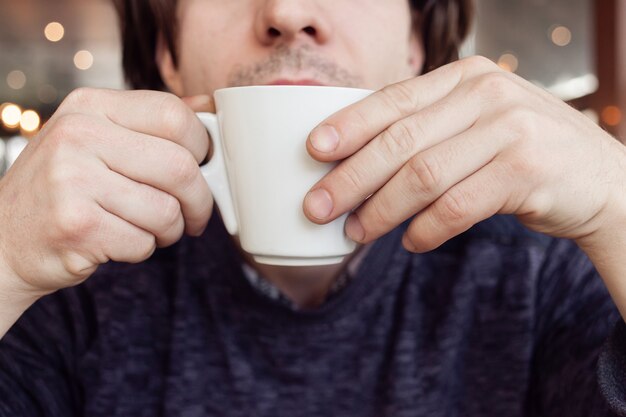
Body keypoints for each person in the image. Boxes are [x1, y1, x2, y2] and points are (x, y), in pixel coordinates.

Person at [0, 0, 626, 415]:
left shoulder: (540, 266)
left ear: (414, 43)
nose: (288, 12)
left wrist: (618, 209)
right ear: (166, 51)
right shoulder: (73, 275)